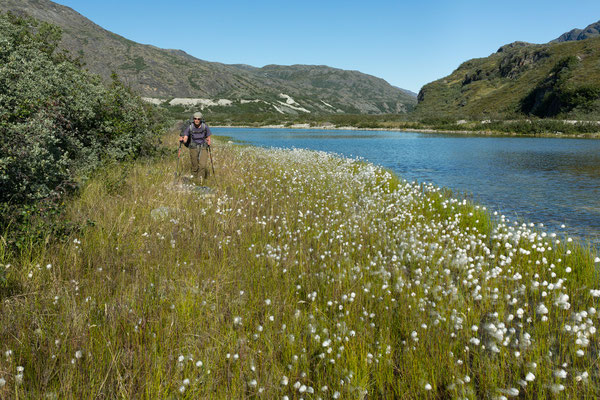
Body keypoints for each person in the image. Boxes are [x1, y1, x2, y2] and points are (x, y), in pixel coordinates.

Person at [180, 112, 212, 184]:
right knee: (195, 165)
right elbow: (186, 136)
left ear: (201, 119)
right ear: (193, 119)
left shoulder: (204, 127)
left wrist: (209, 141)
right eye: (195, 119)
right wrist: (183, 140)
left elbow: (208, 135)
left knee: (202, 165)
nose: (197, 120)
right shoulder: (190, 127)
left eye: (198, 119)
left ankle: (200, 180)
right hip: (193, 147)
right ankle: (194, 178)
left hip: (203, 147)